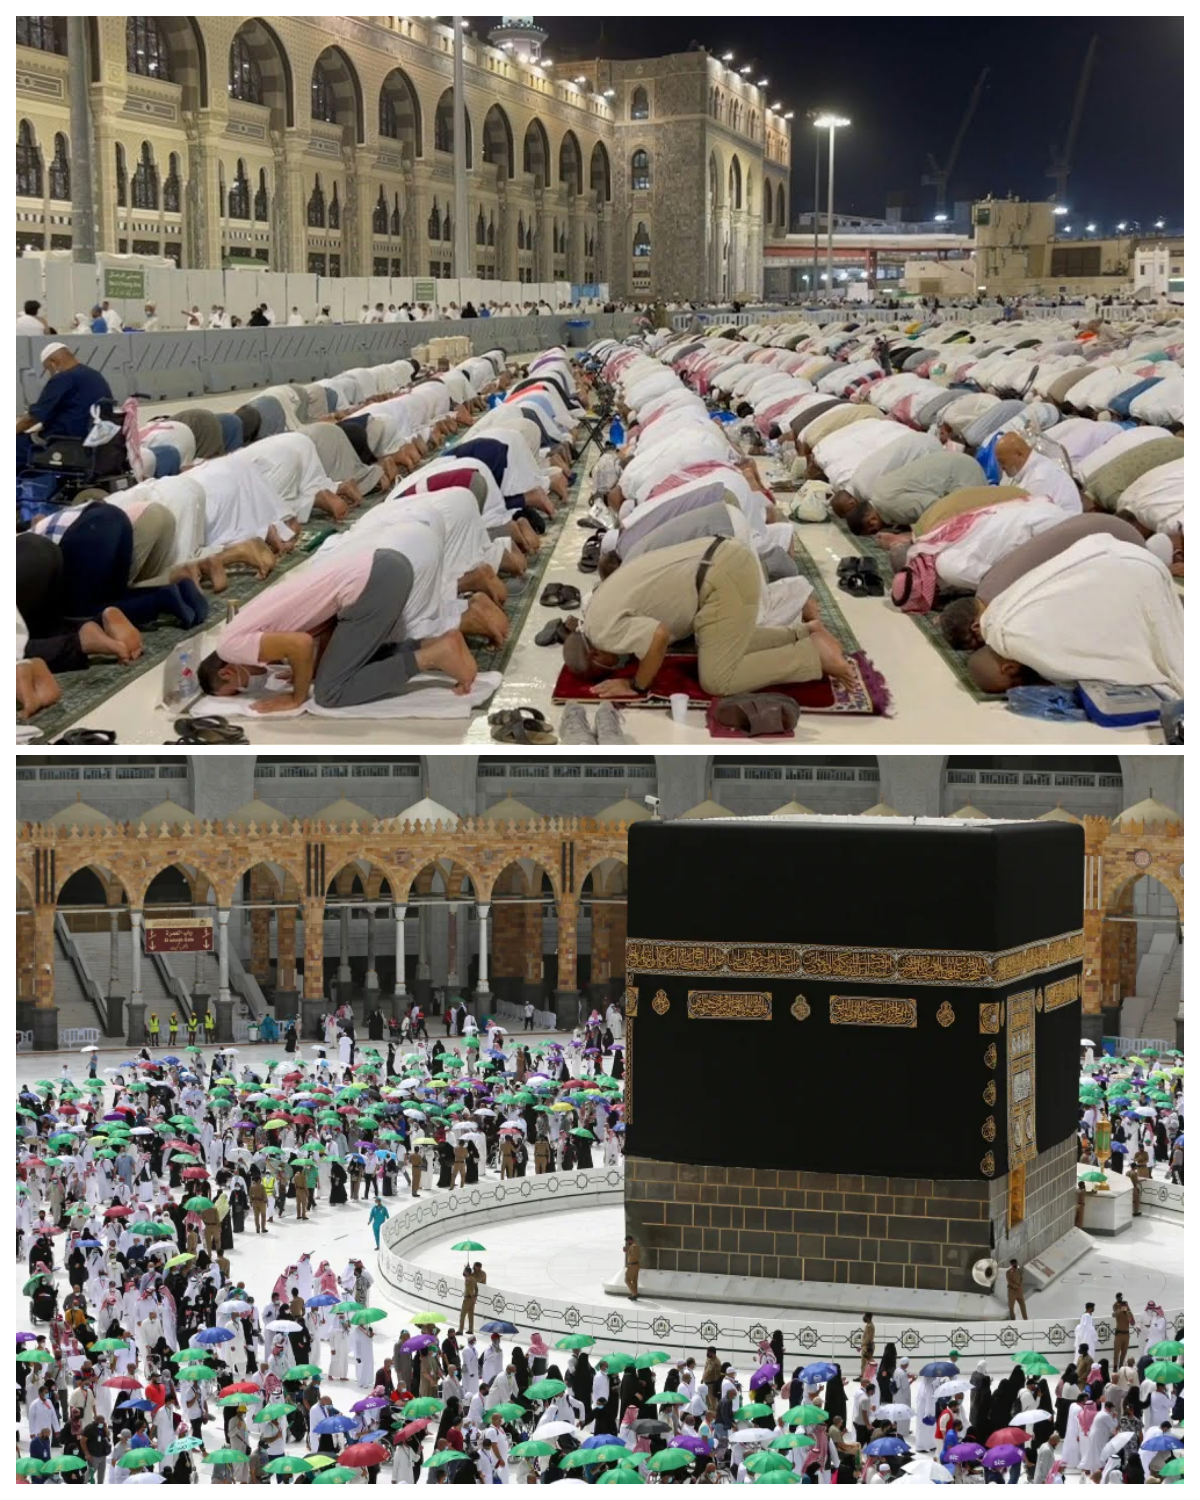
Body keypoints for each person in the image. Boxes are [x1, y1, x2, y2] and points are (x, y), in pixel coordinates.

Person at [196, 538, 480, 712]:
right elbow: (321, 631)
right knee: (341, 667)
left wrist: (296, 698)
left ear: (229, 669)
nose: (249, 688)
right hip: (386, 565)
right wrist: (307, 669)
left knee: (330, 692)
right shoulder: (241, 627)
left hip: (373, 581)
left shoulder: (230, 645)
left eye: (237, 689)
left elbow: (301, 645)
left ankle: (433, 656)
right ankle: (434, 645)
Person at [564, 536, 853, 697]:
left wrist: (636, 685)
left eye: (610, 667)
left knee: (718, 680)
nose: (620, 664)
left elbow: (658, 636)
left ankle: (810, 655)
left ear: (597, 657)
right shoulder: (593, 610)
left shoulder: (603, 634)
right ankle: (804, 632)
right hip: (719, 555)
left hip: (722, 576)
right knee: (720, 647)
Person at [16, 342, 115, 470]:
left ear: (53, 362)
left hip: (64, 442)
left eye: (48, 369)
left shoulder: (63, 378)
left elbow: (33, 417)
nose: (50, 373)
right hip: (92, 440)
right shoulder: (95, 375)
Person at [994, 432, 1082, 516]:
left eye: (1002, 462)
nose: (1001, 467)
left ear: (1019, 454)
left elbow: (1031, 518)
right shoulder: (1029, 470)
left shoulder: (1038, 479)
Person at [623, 1234, 640, 1299]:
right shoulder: (634, 1246)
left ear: (630, 1240)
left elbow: (634, 1256)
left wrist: (627, 1251)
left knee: (627, 1280)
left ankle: (634, 1293)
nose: (627, 1243)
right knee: (634, 1280)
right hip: (635, 1265)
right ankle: (634, 1294)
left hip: (633, 1265)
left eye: (628, 1241)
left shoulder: (634, 1246)